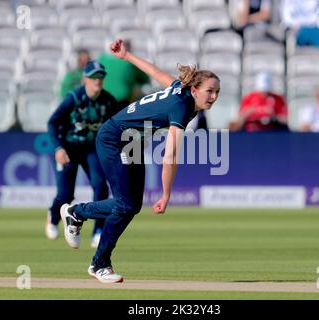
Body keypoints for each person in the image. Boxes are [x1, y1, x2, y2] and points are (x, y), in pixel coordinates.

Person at [59, 38, 221, 283]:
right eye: (210, 91)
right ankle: (99, 263)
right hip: (114, 138)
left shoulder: (180, 89)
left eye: (217, 92)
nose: (214, 96)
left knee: (131, 205)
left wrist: (127, 56)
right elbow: (170, 157)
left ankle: (77, 213)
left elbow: (154, 72)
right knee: (125, 205)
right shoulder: (181, 107)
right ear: (195, 90)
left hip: (132, 141)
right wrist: (166, 195)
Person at [47, 60, 120, 248]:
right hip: (68, 148)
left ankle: (98, 230)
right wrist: (58, 148)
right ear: (85, 79)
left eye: (101, 76)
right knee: (65, 195)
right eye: (94, 76)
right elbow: (52, 122)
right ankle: (53, 216)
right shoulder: (74, 98)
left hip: (91, 149)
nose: (98, 80)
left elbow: (118, 125)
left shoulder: (108, 101)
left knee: (100, 187)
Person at [97, 40, 150, 109]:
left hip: (102, 99)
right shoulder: (130, 62)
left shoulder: (102, 59)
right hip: (122, 101)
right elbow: (144, 79)